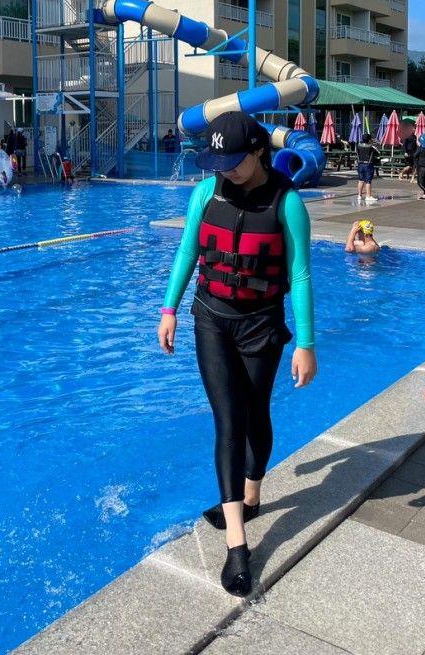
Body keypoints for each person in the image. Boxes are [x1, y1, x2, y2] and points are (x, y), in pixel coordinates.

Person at [157, 111, 316, 597]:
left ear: (258, 152)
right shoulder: (206, 193)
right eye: (217, 160)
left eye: (233, 160)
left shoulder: (287, 204)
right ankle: (237, 544)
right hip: (211, 318)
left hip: (261, 324)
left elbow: (302, 275)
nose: (223, 168)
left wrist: (306, 343)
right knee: (227, 421)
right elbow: (187, 252)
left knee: (255, 416)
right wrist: (169, 309)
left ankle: (252, 491)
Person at [355, 133, 380, 204]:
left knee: (360, 180)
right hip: (368, 165)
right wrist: (373, 146)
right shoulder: (371, 147)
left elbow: (358, 152)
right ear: (369, 140)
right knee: (368, 181)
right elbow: (378, 154)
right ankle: (368, 196)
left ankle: (359, 195)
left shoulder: (358, 146)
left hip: (360, 164)